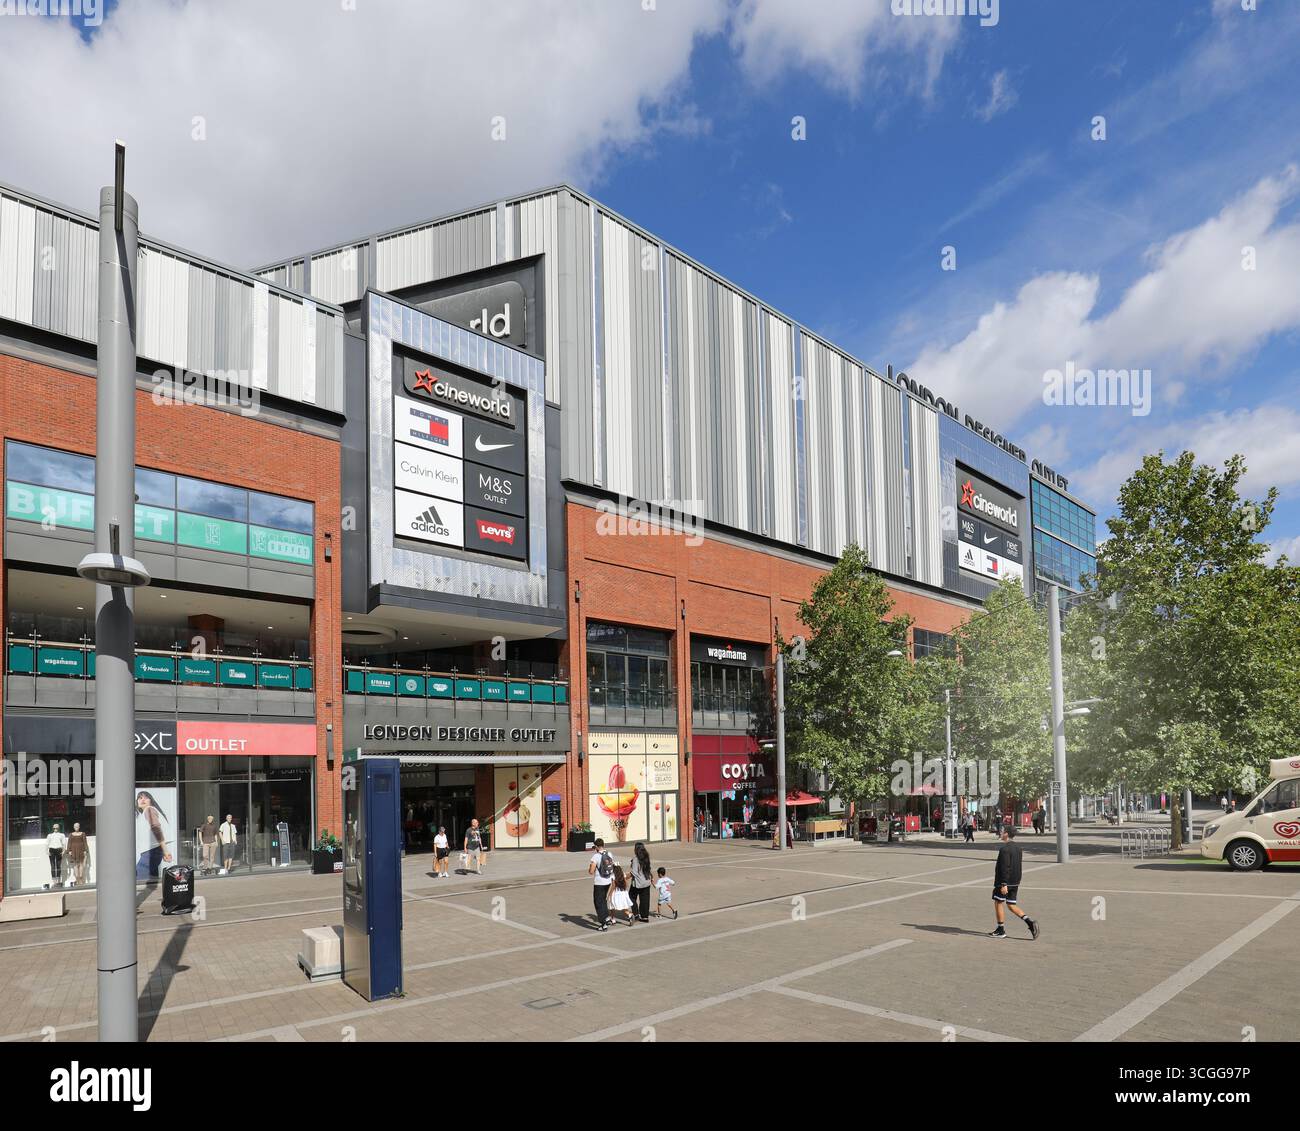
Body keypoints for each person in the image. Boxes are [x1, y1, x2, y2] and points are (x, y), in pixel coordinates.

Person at [988, 825, 1039, 940]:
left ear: (1006, 834)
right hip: (1015, 882)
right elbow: (1018, 865)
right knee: (1011, 905)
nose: (1000, 833)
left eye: (1002, 831)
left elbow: (1004, 867)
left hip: (1005, 882)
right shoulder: (1018, 848)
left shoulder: (1005, 849)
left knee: (998, 902)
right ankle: (1030, 923)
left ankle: (1001, 929)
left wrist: (1003, 884)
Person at [135, 792, 172, 881]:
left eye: (145, 798)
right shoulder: (146, 812)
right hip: (152, 852)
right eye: (140, 798)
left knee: (137, 880)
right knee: (151, 883)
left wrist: (166, 851)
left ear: (151, 801)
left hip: (151, 853)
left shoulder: (149, 810)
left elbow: (156, 829)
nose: (142, 800)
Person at [588, 837, 615, 931]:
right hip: (608, 881)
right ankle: (607, 917)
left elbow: (591, 871)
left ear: (596, 846)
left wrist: (590, 867)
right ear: (603, 845)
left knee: (598, 902)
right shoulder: (609, 854)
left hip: (599, 882)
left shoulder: (595, 856)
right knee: (603, 899)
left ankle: (603, 923)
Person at [66, 822, 90, 886]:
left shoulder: (83, 834)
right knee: (75, 865)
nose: (76, 827)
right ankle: (77, 879)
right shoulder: (71, 834)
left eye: (77, 826)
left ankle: (81, 878)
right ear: (73, 827)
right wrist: (69, 851)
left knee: (81, 864)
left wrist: (85, 850)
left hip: (81, 850)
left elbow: (85, 842)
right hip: (73, 851)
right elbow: (69, 843)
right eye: (75, 826)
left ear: (79, 827)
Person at [45, 823, 67, 887]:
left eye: (57, 828)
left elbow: (64, 843)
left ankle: (59, 881)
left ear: (59, 828)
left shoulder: (62, 835)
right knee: (52, 865)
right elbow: (47, 843)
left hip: (59, 850)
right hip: (52, 849)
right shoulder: (50, 835)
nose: (55, 829)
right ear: (53, 828)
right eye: (54, 828)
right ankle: (54, 881)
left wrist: (63, 851)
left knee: (58, 865)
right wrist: (46, 851)